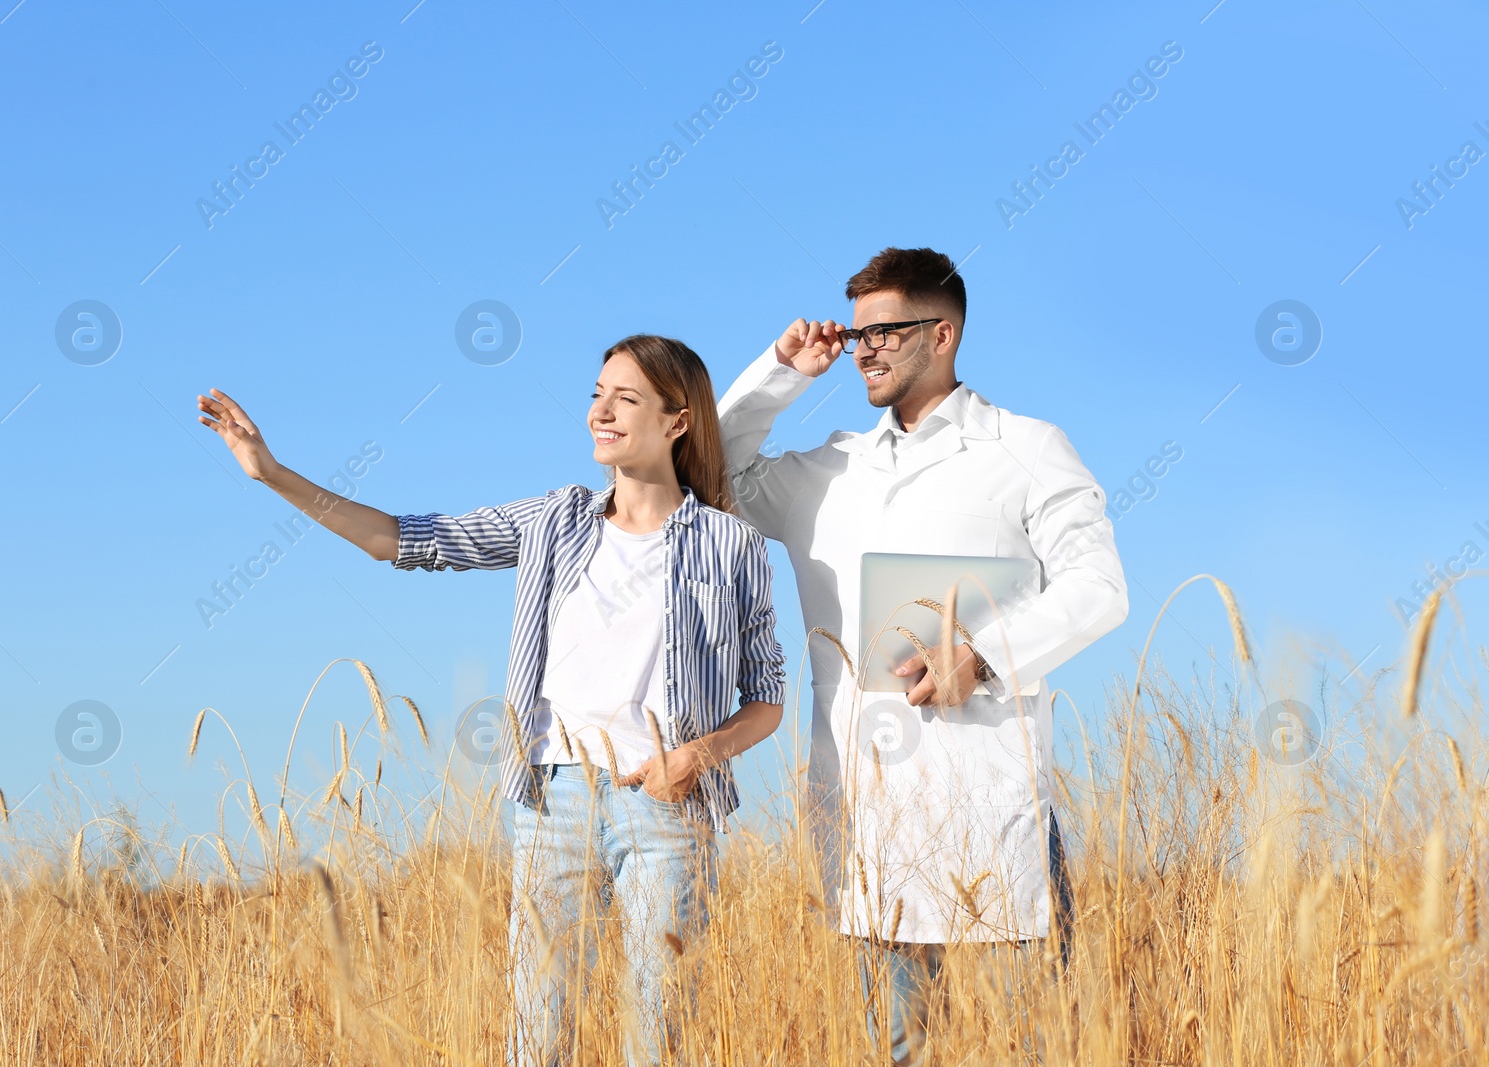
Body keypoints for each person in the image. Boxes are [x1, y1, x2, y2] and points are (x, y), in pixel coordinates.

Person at [198, 334, 786, 1067]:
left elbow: (766, 698)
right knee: (537, 1033)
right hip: (554, 801)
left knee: (660, 1035)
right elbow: (402, 539)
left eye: (625, 398)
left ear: (677, 421)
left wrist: (695, 755)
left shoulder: (732, 545)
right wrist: (274, 474)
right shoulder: (553, 520)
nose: (601, 411)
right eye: (597, 394)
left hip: (668, 804)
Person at [716, 247, 1128, 1063]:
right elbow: (712, 470)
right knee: (894, 1049)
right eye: (857, 333)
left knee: (1029, 1046)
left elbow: (1100, 587)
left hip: (989, 800)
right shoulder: (828, 470)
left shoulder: (1027, 448)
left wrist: (984, 652)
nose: (863, 349)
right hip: (870, 817)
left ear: (942, 335)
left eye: (885, 331)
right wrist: (781, 372)